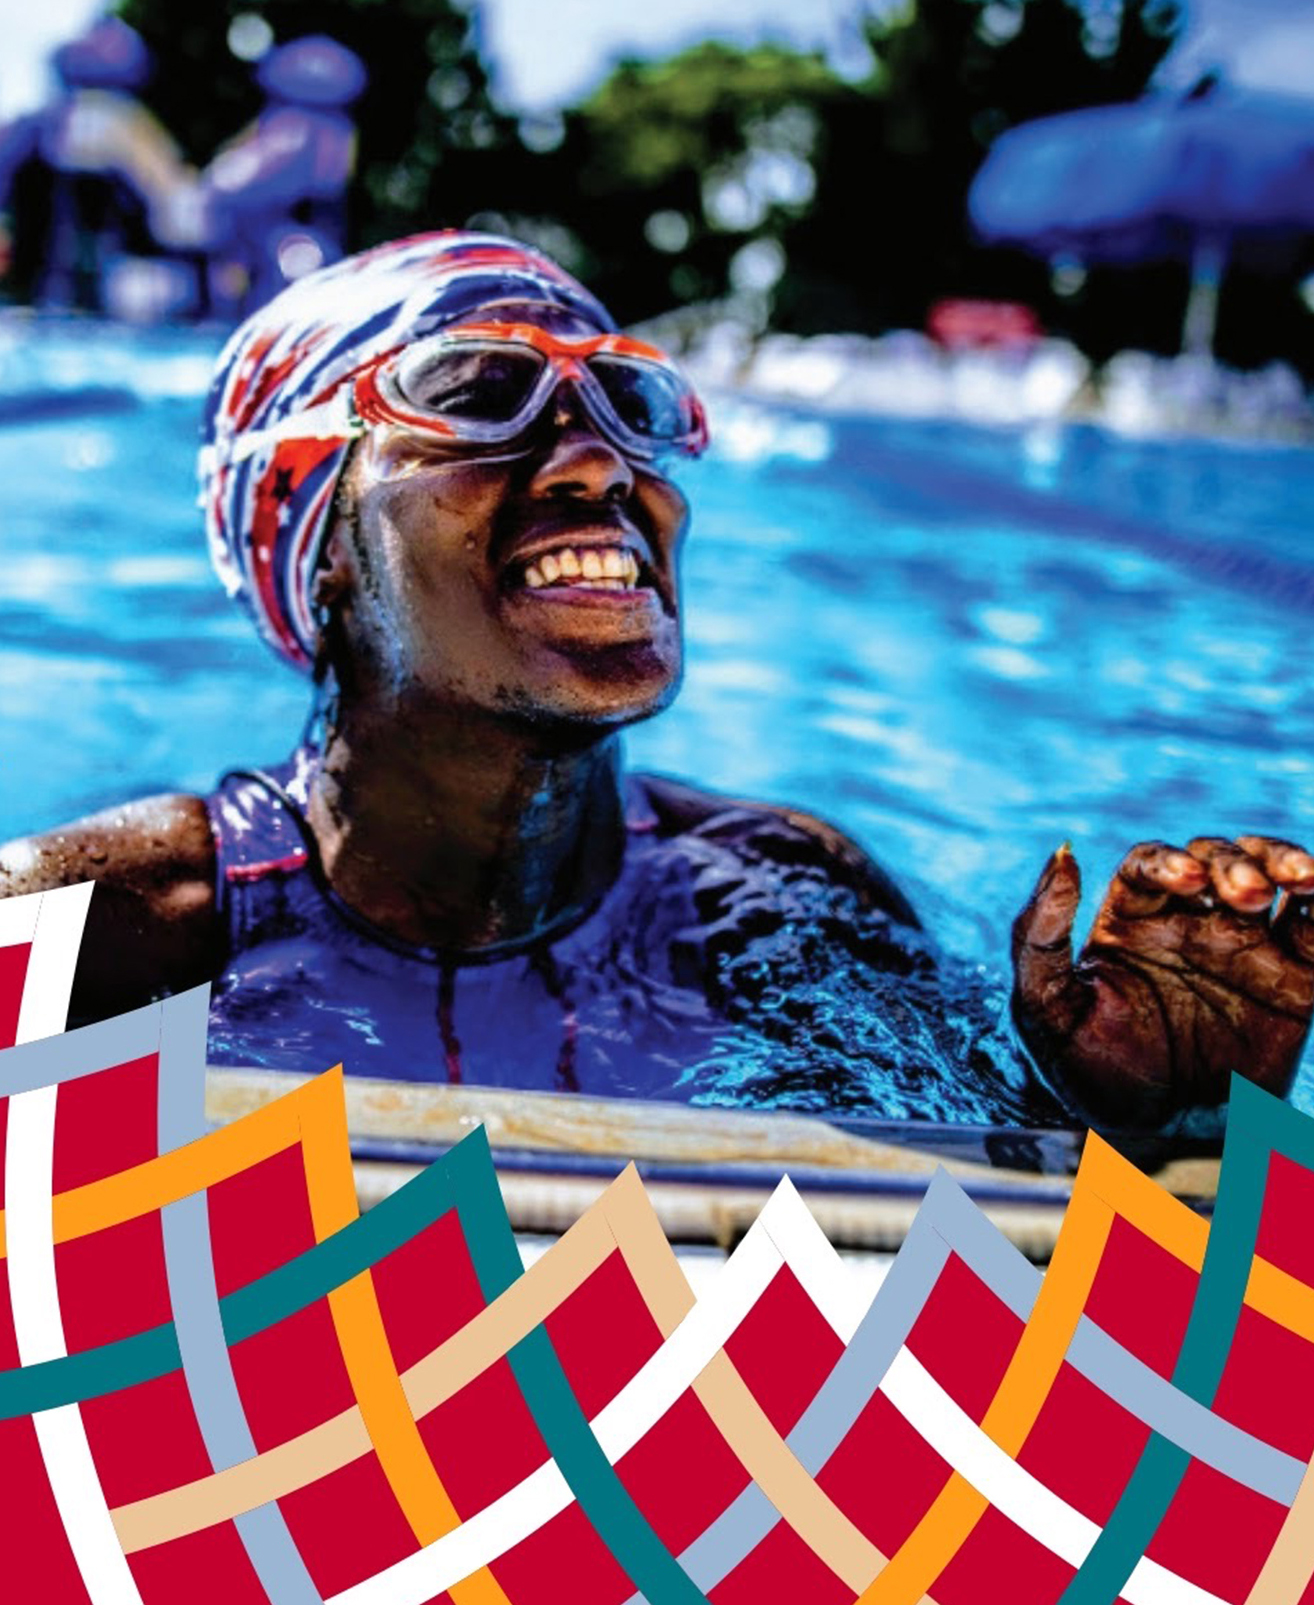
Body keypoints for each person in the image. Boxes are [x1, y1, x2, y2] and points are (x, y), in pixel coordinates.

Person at [2, 231, 1312, 1131]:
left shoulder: (781, 903)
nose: (594, 465)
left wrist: (1144, 1111)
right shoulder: (116, 932)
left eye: (626, 402)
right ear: (318, 545)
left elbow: (1008, 1242)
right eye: (479, 394)